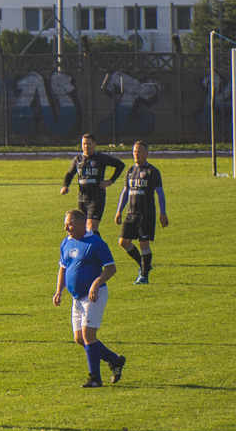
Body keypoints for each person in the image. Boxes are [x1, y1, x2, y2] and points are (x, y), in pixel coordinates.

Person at [55, 209, 125, 388]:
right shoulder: (66, 243)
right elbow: (63, 268)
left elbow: (110, 268)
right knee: (79, 338)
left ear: (80, 225)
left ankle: (94, 378)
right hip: (76, 297)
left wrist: (96, 282)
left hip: (94, 295)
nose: (65, 228)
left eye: (68, 224)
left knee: (88, 335)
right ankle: (115, 360)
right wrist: (59, 291)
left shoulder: (95, 243)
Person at [115, 141, 169, 285]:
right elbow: (126, 191)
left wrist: (163, 213)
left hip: (146, 214)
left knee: (143, 244)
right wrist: (119, 210)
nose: (136, 154)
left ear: (146, 153)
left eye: (139, 151)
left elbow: (160, 193)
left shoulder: (152, 171)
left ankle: (144, 277)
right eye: (134, 151)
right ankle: (144, 265)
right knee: (123, 242)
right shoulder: (130, 171)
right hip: (130, 213)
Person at [60, 133, 123, 236]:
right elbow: (69, 174)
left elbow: (120, 165)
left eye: (88, 144)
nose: (86, 146)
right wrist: (65, 186)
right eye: (84, 144)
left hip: (96, 198)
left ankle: (98, 248)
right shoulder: (78, 160)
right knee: (82, 228)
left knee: (91, 228)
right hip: (82, 198)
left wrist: (110, 180)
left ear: (95, 144)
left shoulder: (100, 158)